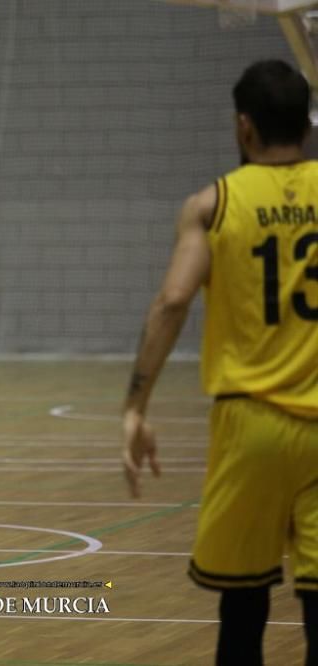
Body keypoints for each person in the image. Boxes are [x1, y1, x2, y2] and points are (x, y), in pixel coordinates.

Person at [122, 60, 318, 665]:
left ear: (243, 127)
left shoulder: (212, 205)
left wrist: (135, 407)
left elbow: (173, 300)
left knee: (242, 607)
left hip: (249, 425)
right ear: (306, 127)